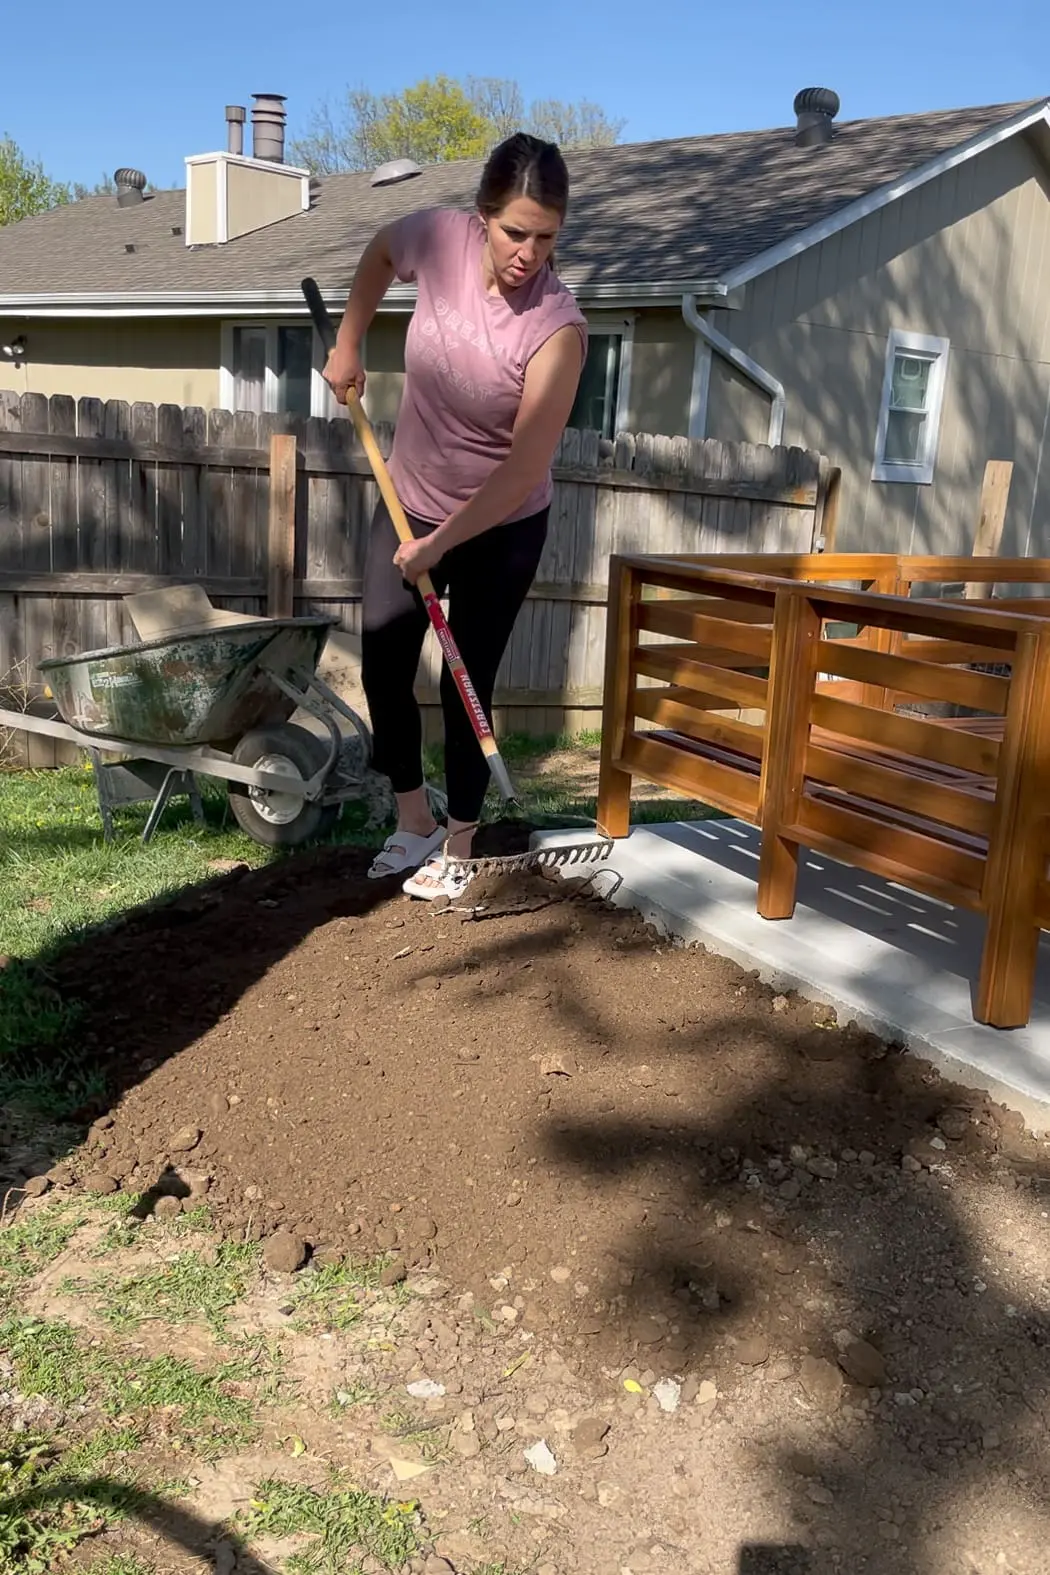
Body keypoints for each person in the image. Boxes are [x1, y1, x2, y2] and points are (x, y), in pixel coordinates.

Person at [322, 133, 587, 901]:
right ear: (482, 216)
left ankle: (462, 843)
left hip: (501, 527)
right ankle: (414, 820)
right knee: (382, 662)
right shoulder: (439, 241)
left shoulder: (556, 331)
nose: (528, 254)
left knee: (465, 681)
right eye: (515, 232)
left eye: (546, 238)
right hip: (408, 496)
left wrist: (437, 545)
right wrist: (348, 342)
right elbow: (380, 252)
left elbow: (521, 471)